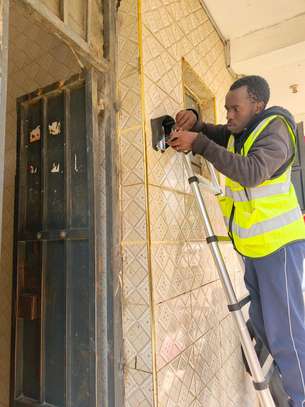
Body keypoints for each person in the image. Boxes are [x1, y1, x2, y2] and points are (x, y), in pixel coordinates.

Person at [168, 75, 305, 407]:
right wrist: (196, 121)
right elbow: (215, 132)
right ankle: (281, 391)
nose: (228, 114)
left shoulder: (275, 130)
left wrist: (199, 144)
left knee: (286, 332)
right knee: (262, 324)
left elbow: (252, 171)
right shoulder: (240, 132)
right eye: (227, 108)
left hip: (279, 248)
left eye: (235, 108)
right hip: (254, 249)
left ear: (256, 105)